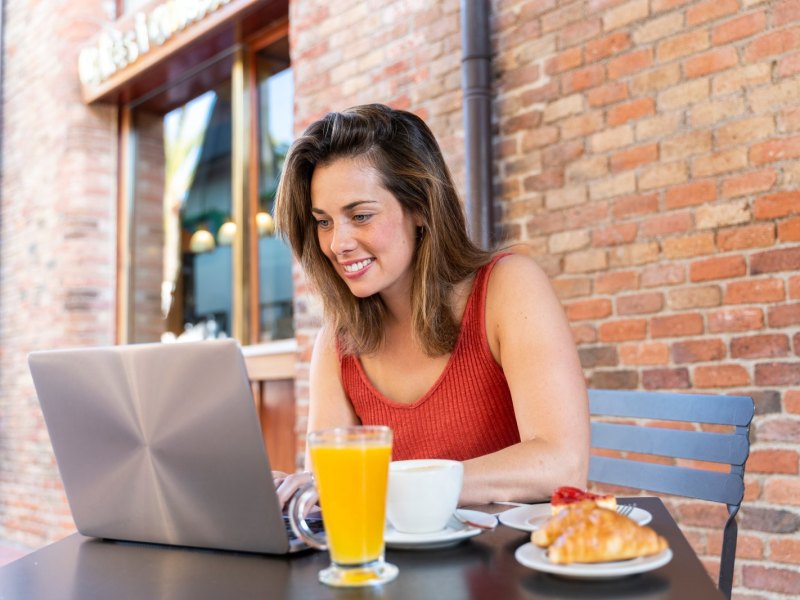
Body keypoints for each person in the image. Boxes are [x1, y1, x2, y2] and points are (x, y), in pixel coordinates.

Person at [272, 103, 589, 508]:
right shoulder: (337, 343)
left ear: (420, 208)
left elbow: (561, 464)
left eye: (361, 215)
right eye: (324, 221)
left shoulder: (509, 287)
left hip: (512, 563)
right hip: (396, 570)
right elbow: (333, 490)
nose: (338, 243)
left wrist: (379, 484)